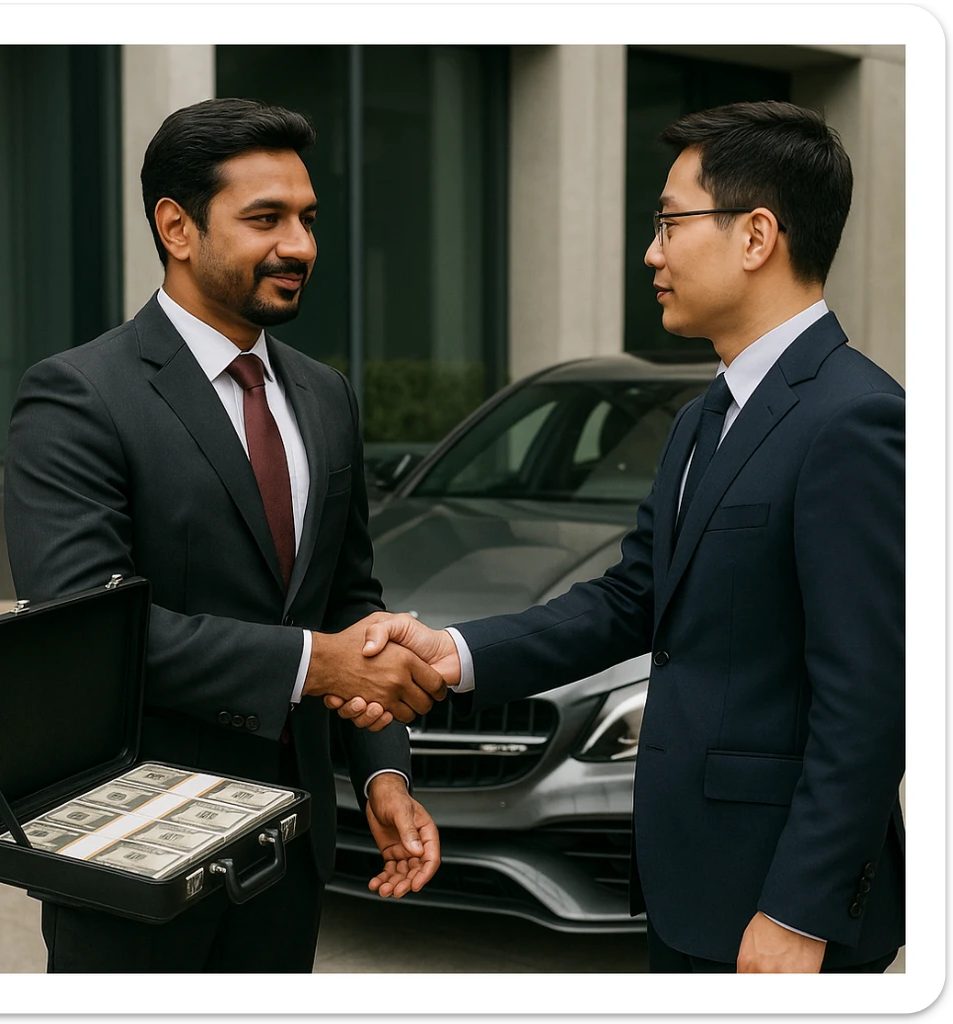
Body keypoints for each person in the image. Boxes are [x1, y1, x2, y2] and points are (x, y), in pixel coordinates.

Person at [336, 101, 905, 973]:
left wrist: (800, 909)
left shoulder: (857, 418)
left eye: (670, 224)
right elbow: (633, 599)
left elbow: (868, 701)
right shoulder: (702, 418)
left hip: (778, 911)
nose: (652, 253)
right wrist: (450, 650)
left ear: (757, 236)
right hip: (687, 886)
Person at [2, 97, 446, 973]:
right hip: (133, 852)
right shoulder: (76, 397)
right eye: (266, 219)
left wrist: (385, 775)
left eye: (309, 219)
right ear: (176, 226)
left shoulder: (326, 395)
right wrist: (317, 664)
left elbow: (350, 598)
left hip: (291, 853)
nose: (301, 246)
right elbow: (94, 636)